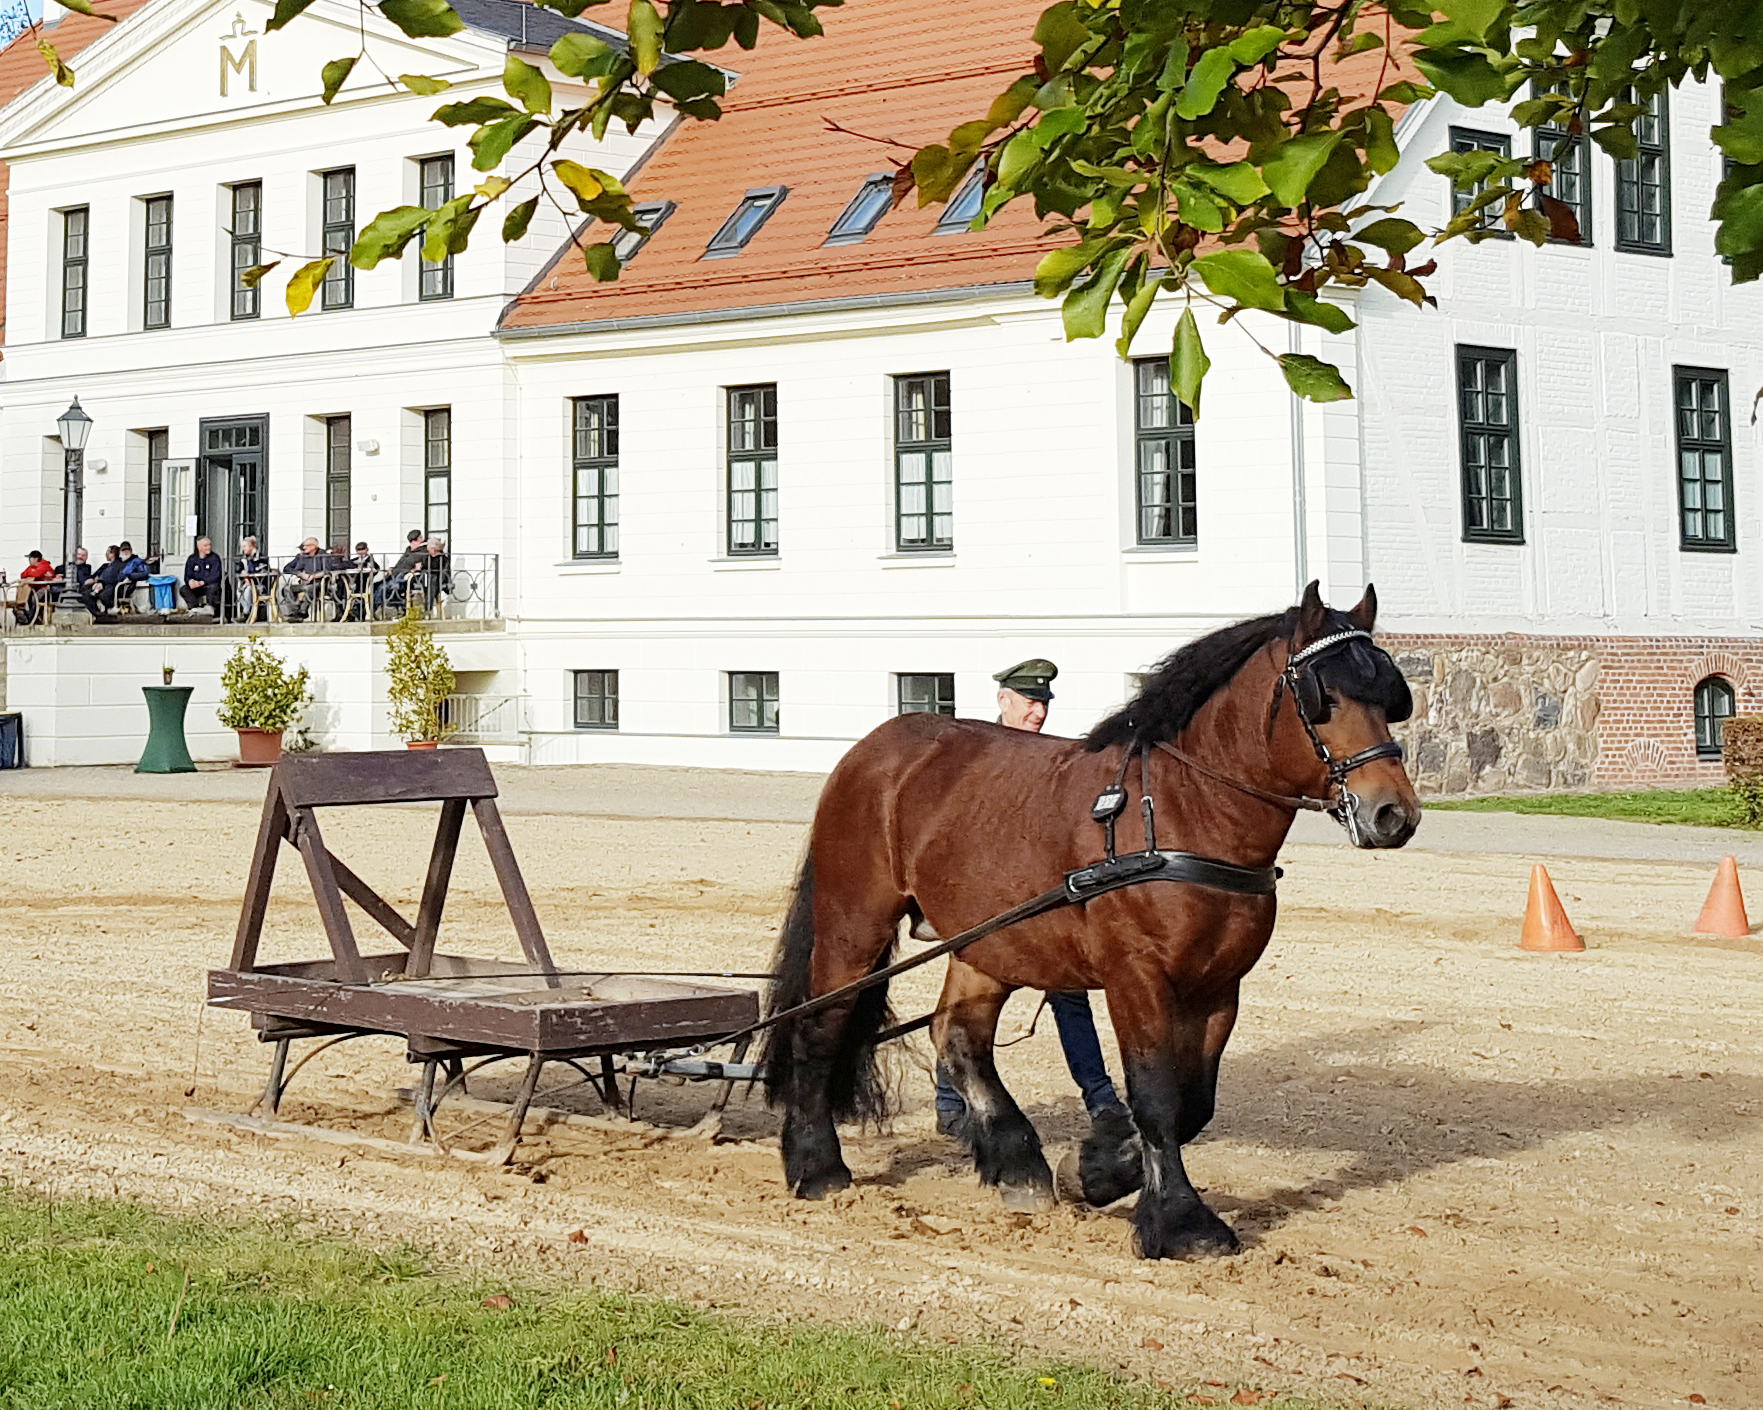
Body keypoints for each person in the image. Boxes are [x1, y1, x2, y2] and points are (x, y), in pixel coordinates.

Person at [933, 658, 1129, 1138]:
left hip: (1042, 899)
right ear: (1004, 701)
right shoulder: (979, 757)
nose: (1037, 712)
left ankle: (1101, 1100)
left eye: (1042, 703)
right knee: (968, 990)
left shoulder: (1050, 757)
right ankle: (949, 1101)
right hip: (984, 898)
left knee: (1070, 994)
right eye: (1029, 701)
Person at [277, 537, 334, 621]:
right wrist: (301, 574)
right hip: (304, 581)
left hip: (319, 582)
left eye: (306, 546)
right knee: (287, 588)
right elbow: (287, 568)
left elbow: (328, 570)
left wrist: (314, 576)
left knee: (309, 589)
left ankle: (302, 611)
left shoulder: (324, 555)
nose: (304, 548)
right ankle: (293, 611)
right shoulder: (303, 556)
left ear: (313, 546)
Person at [372, 535, 430, 615]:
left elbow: (424, 565)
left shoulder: (424, 552)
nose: (412, 544)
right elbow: (401, 562)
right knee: (376, 586)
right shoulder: (408, 550)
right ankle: (370, 610)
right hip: (395, 574)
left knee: (385, 588)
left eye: (414, 541)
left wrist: (417, 569)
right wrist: (393, 568)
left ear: (419, 540)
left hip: (406, 577)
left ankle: (400, 605)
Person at [9, 551, 56, 625]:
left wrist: (31, 573)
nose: (29, 560)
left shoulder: (44, 565)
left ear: (36, 559)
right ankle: (26, 615)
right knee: (28, 597)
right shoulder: (32, 567)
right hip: (35, 588)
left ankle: (30, 618)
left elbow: (37, 574)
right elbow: (23, 574)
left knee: (35, 598)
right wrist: (31, 573)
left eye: (30, 558)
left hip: (45, 588)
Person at [179, 536, 223, 613]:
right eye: (205, 546)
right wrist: (190, 581)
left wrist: (202, 582)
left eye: (209, 545)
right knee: (184, 589)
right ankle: (194, 608)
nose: (208, 547)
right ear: (199, 547)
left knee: (214, 588)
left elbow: (216, 576)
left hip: (208, 585)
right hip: (196, 587)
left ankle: (212, 609)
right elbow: (187, 575)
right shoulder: (192, 559)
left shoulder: (214, 558)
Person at [80, 545, 124, 621]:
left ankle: (99, 614)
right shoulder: (105, 566)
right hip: (98, 585)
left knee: (89, 595)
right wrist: (92, 580)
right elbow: (95, 575)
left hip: (109, 587)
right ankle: (96, 612)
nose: (106, 554)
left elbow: (112, 577)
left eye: (108, 552)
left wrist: (100, 582)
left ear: (112, 554)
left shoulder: (118, 565)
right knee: (83, 591)